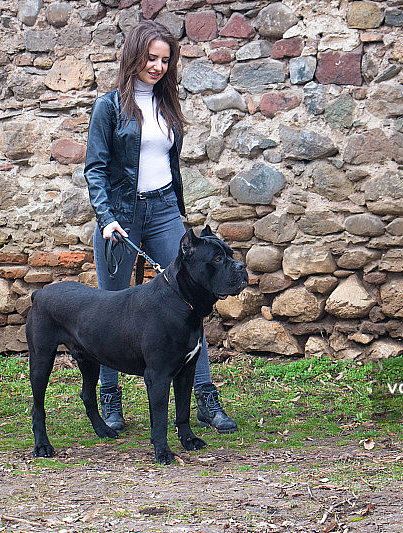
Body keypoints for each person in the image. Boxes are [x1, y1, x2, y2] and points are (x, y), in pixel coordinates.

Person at [83, 20, 237, 434]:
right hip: (120, 216)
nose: (157, 66)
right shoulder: (110, 107)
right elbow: (94, 169)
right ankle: (109, 398)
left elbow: (169, 165)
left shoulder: (167, 105)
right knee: (110, 307)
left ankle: (204, 397)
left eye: (165, 60)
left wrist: (180, 214)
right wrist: (107, 218)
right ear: (134, 55)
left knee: (191, 302)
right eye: (151, 58)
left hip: (165, 210)